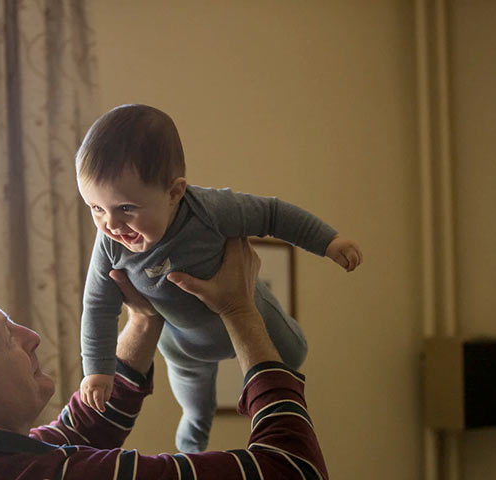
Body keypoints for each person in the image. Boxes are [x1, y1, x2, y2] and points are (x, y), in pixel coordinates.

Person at [0, 238, 329, 480]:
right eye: (7, 337)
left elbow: (77, 431)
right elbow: (293, 475)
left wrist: (144, 319)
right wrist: (240, 311)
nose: (30, 337)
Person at [78, 103, 363, 452]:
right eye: (95, 208)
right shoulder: (109, 244)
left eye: (126, 208)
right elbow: (97, 306)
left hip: (251, 311)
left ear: (174, 193)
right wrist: (97, 370)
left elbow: (273, 214)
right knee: (196, 408)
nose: (111, 224)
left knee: (295, 353)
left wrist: (328, 241)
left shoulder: (210, 210)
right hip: (184, 345)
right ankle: (191, 451)